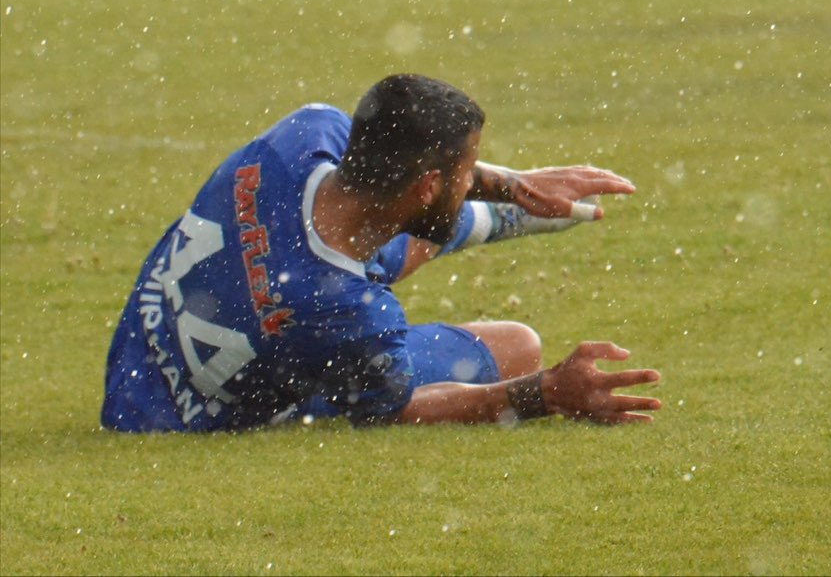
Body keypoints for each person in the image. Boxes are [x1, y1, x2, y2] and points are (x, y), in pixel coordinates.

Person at [102, 74, 661, 432]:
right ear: (428, 185)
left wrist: (514, 185)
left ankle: (516, 214)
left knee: (378, 240)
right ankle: (511, 221)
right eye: (467, 172)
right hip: (178, 419)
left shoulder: (305, 134)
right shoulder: (348, 311)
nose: (473, 179)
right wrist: (545, 394)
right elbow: (397, 409)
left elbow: (394, 186)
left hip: (136, 370)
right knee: (519, 347)